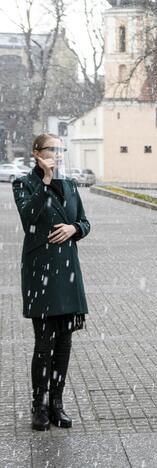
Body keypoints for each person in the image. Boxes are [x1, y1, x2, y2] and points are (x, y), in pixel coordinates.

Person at [12, 133, 91, 431]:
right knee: (43, 344)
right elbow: (29, 218)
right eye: (51, 150)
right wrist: (44, 182)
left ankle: (57, 404)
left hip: (68, 272)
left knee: (64, 343)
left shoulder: (70, 186)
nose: (57, 155)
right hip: (40, 273)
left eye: (61, 150)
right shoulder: (24, 184)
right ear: (36, 152)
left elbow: (84, 221)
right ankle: (39, 406)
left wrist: (74, 228)